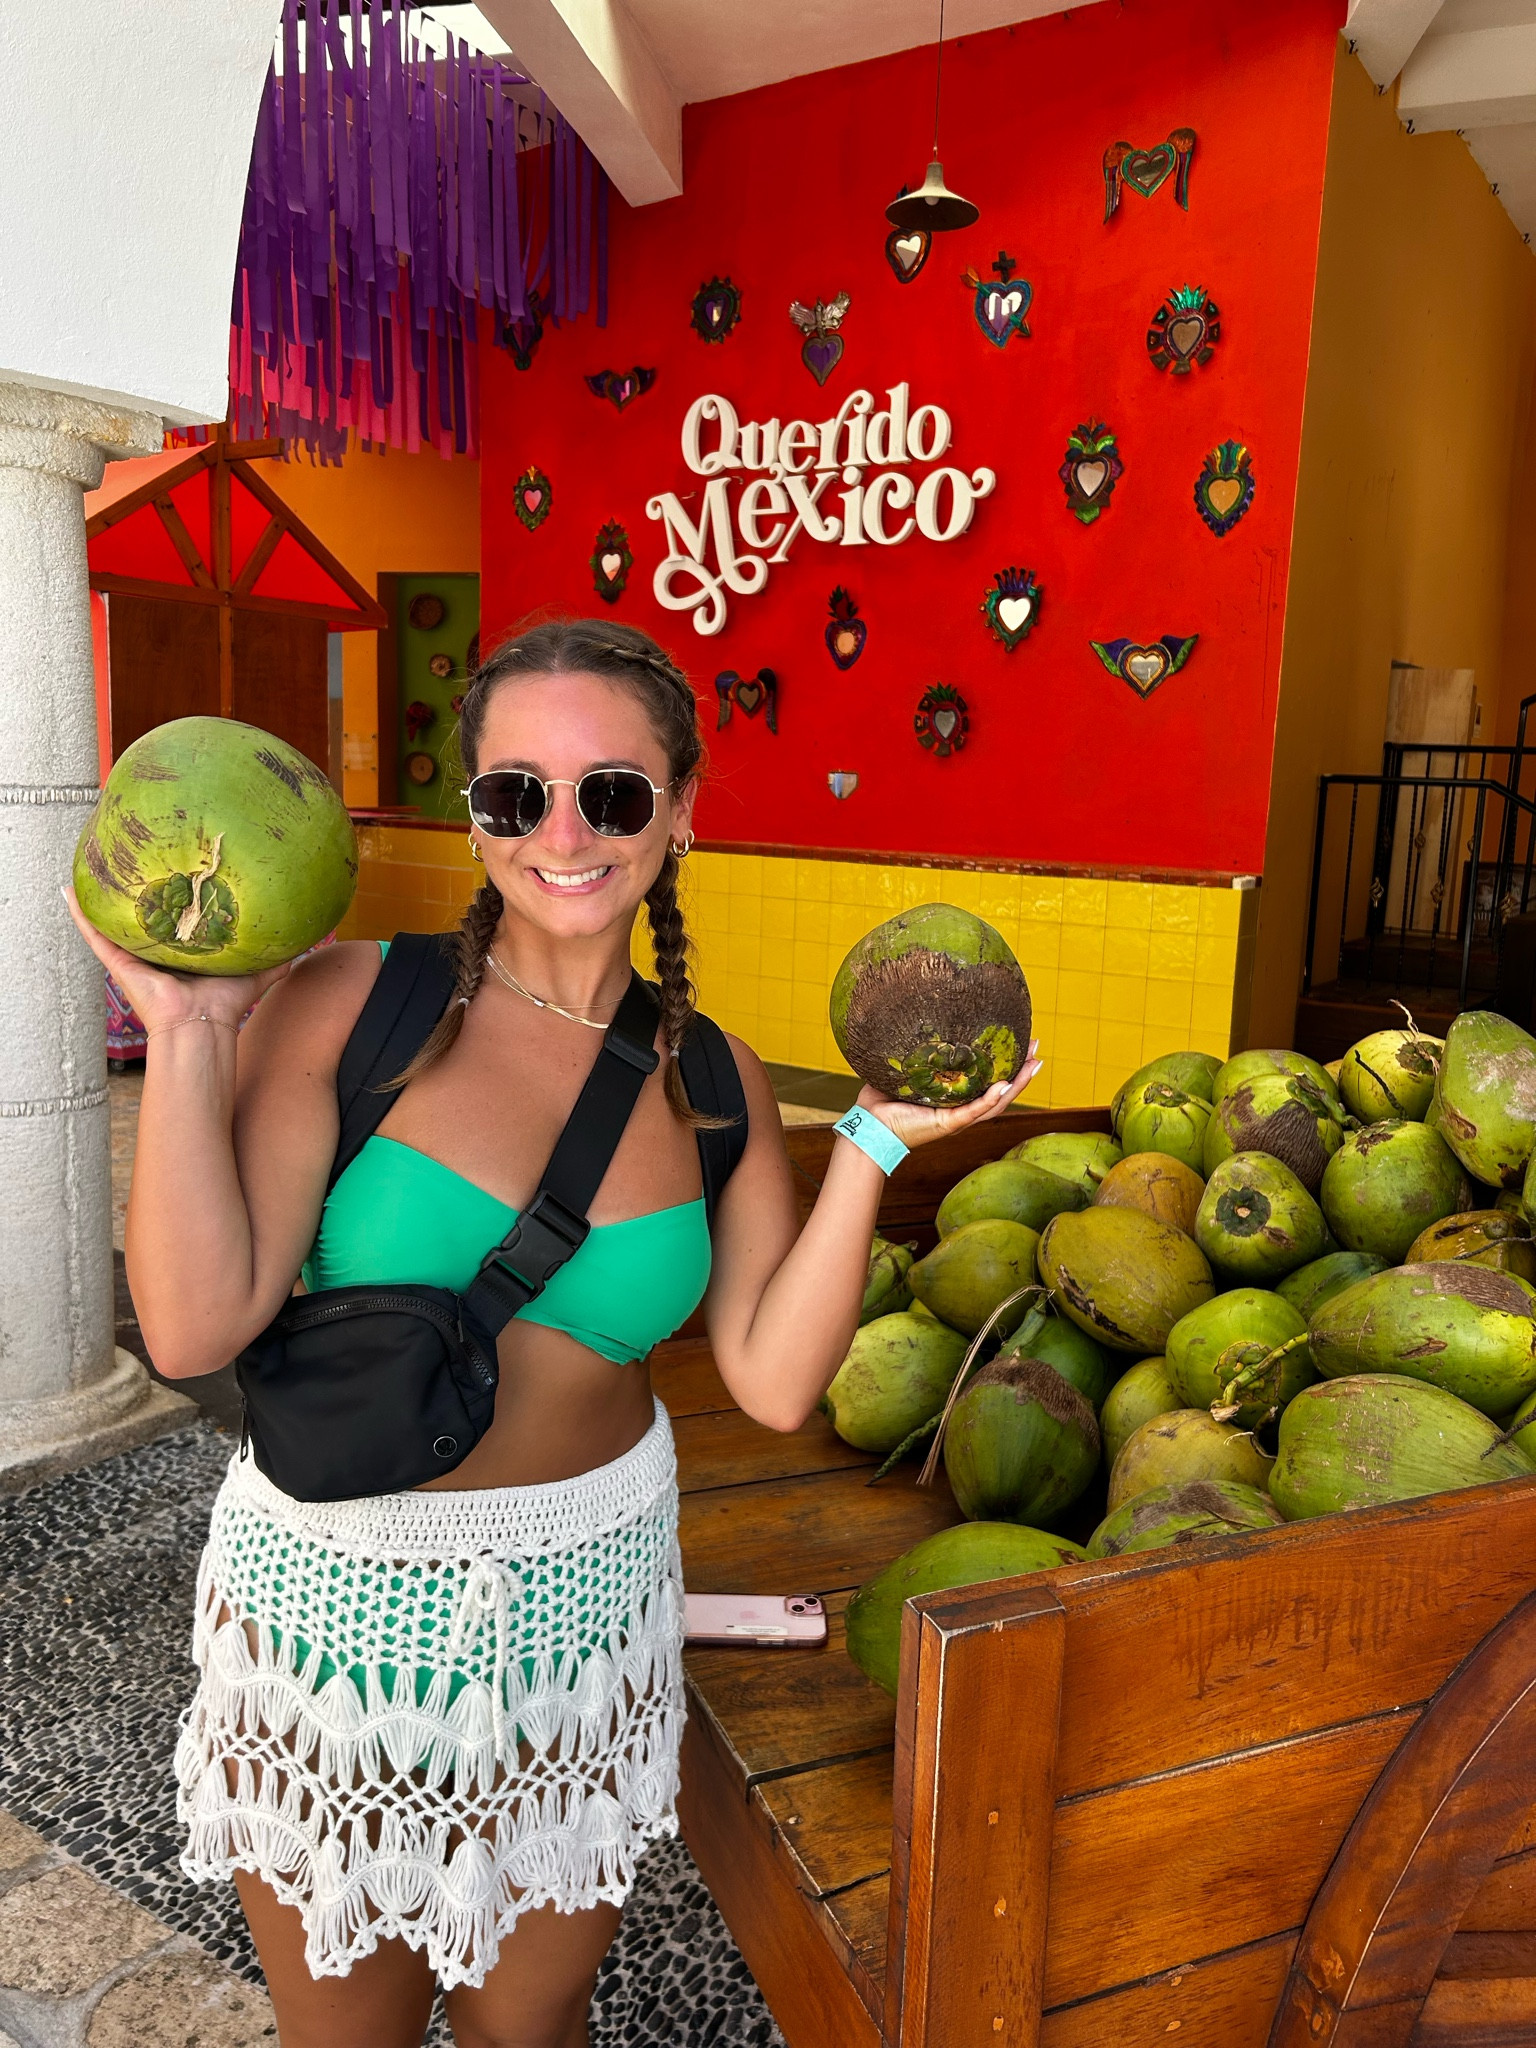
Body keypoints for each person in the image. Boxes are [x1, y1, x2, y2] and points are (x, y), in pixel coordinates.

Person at [66, 619, 1039, 2048]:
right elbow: (200, 1319)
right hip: (345, 1610)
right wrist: (190, 1033)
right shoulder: (353, 1003)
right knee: (352, 2035)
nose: (564, 831)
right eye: (516, 793)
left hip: (588, 1610)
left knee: (536, 2023)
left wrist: (878, 1147)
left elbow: (774, 1384)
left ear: (682, 813)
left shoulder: (715, 1081)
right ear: (476, 818)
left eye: (616, 793)